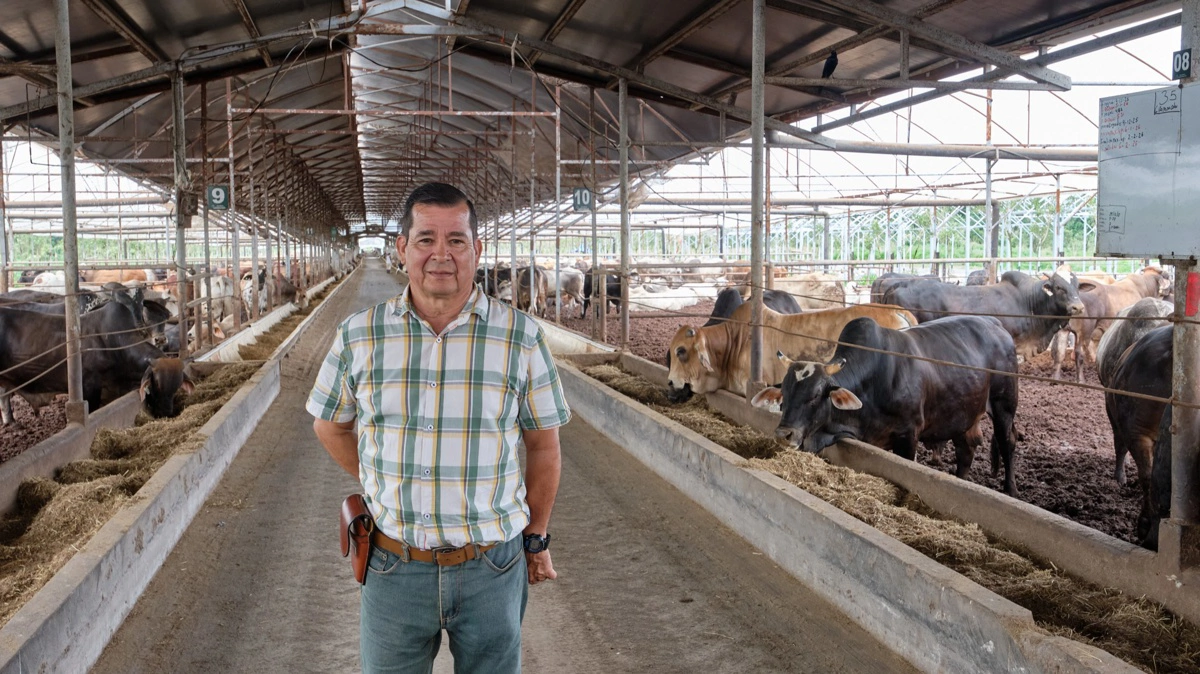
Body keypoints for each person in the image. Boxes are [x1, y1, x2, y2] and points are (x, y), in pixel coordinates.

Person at [307, 182, 571, 673]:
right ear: (402, 248)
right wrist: (380, 480)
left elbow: (543, 445)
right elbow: (329, 425)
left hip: (493, 565)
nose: (441, 255)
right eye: (426, 239)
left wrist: (536, 536)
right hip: (393, 565)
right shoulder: (359, 335)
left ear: (477, 249)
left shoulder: (520, 337)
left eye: (456, 240)